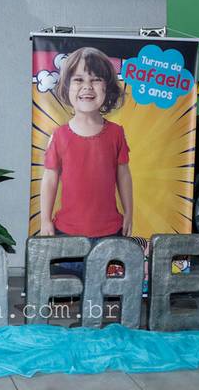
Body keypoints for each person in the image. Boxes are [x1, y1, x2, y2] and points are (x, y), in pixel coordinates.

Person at [39, 46, 133, 252]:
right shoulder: (59, 136)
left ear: (108, 87)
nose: (87, 87)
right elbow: (50, 179)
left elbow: (123, 175)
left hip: (111, 232)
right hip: (67, 233)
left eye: (96, 79)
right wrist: (45, 220)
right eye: (78, 80)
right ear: (66, 87)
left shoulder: (116, 133)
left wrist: (129, 213)